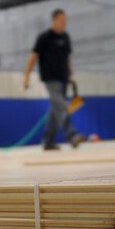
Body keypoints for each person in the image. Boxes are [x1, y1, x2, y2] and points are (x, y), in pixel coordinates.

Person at [23, 9, 86, 151]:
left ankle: (48, 141)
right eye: (62, 20)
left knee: (55, 110)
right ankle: (72, 135)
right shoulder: (44, 37)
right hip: (50, 79)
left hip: (63, 78)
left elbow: (67, 58)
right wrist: (26, 76)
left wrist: (70, 75)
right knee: (62, 106)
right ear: (54, 20)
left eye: (65, 21)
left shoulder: (66, 38)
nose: (64, 23)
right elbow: (33, 57)